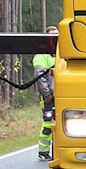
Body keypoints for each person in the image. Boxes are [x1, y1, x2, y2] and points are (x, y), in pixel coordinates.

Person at [33, 25, 58, 160]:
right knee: (48, 124)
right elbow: (40, 76)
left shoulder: (62, 53)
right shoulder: (41, 56)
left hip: (64, 95)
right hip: (50, 97)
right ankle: (43, 151)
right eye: (52, 35)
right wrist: (47, 94)